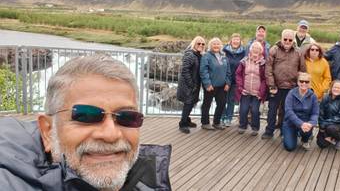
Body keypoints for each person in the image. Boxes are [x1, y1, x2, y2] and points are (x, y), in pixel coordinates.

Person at [0, 55, 171, 190]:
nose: (111, 134)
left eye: (126, 116)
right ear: (48, 131)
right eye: (86, 116)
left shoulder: (146, 180)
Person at [263, 29, 306, 139]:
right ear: (281, 39)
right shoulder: (274, 50)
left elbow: (302, 70)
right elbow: (268, 69)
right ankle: (269, 131)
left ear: (293, 40)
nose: (287, 41)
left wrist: (299, 86)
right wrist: (271, 85)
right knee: (272, 110)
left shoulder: (298, 52)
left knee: (287, 111)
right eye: (285, 39)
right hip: (275, 87)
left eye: (290, 39)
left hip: (291, 88)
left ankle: (284, 131)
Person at [235, 42, 267, 136]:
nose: (255, 50)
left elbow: (265, 79)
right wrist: (240, 88)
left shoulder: (263, 63)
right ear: (251, 50)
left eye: (258, 49)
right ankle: (242, 125)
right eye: (254, 48)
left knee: (255, 110)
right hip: (245, 91)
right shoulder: (244, 61)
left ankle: (255, 127)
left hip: (257, 93)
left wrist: (261, 92)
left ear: (261, 52)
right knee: (243, 109)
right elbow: (238, 74)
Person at [200, 37, 231, 130]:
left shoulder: (224, 56)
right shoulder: (206, 56)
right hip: (211, 86)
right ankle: (205, 123)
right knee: (207, 104)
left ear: (221, 46)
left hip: (222, 86)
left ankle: (216, 122)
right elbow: (203, 71)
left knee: (222, 103)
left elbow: (228, 71)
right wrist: (207, 84)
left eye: (218, 44)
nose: (216, 45)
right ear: (210, 46)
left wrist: (228, 83)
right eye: (214, 44)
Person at [282, 72, 319, 151]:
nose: (304, 83)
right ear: (298, 82)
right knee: (290, 147)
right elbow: (288, 111)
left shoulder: (313, 96)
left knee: (307, 129)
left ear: (310, 83)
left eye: (307, 82)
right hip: (291, 123)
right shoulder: (291, 93)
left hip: (305, 123)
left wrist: (310, 123)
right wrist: (300, 124)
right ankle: (291, 134)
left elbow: (315, 113)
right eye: (301, 81)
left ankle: (304, 139)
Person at [177, 36, 205, 134]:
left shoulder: (198, 55)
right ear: (194, 44)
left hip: (194, 84)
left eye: (203, 44)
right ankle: (182, 124)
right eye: (198, 43)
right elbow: (185, 70)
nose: (201, 45)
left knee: (191, 103)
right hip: (187, 84)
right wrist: (191, 84)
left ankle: (187, 120)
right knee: (188, 103)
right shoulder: (190, 54)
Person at [317, 80, 340, 150]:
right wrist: (321, 126)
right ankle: (332, 137)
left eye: (338, 88)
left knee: (331, 128)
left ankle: (338, 138)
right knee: (321, 144)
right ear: (331, 87)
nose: (336, 89)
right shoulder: (326, 97)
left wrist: (325, 124)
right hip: (326, 124)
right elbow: (321, 113)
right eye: (334, 87)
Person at [221, 33, 246, 127]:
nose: (235, 41)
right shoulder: (224, 50)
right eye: (234, 39)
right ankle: (222, 117)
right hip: (225, 79)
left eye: (237, 40)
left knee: (231, 100)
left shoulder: (243, 52)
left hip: (236, 80)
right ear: (231, 40)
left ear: (240, 41)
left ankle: (229, 118)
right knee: (222, 99)